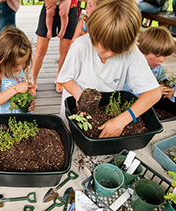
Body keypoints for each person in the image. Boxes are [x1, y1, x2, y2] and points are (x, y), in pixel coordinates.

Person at [57, 0, 161, 138]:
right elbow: (65, 79)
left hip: (107, 112)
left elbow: (154, 93)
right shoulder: (80, 46)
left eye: (117, 51)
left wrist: (122, 120)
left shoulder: (131, 53)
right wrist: (79, 96)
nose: (110, 54)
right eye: (105, 49)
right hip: (73, 115)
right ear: (93, 32)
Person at [31, 0, 78, 93]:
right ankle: (33, 81)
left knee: (65, 51)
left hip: (70, 7)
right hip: (49, 5)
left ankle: (59, 78)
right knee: (40, 51)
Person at [0, 26, 35, 114]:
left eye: (24, 62)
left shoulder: (23, 68)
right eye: (15, 65)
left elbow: (25, 90)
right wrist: (15, 89)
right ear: (3, 59)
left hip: (20, 116)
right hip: (3, 119)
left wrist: (30, 100)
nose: (21, 67)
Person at [124, 26, 176, 102]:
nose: (162, 59)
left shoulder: (158, 69)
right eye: (157, 55)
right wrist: (154, 93)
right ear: (142, 52)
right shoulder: (132, 68)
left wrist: (169, 92)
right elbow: (124, 95)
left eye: (165, 56)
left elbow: (166, 84)